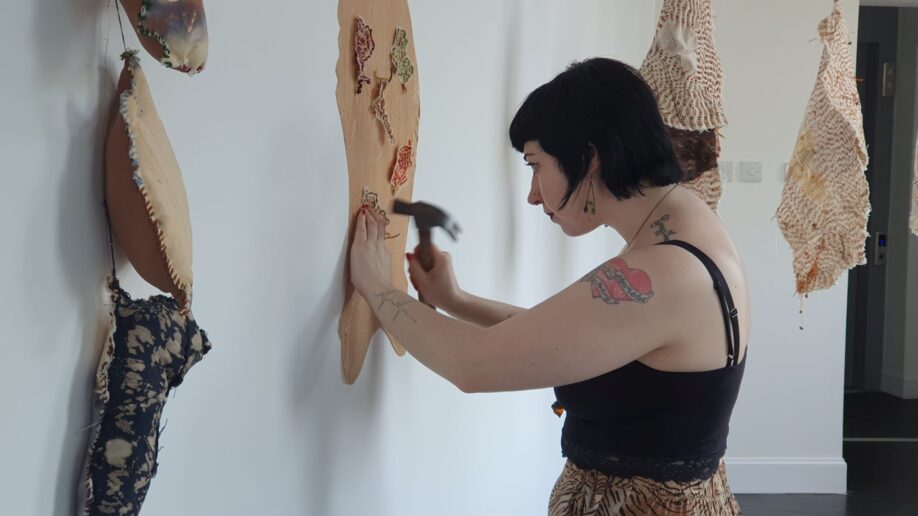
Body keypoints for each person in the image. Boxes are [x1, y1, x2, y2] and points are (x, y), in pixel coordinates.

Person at [348, 57, 747, 515]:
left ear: (589, 158)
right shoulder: (689, 229)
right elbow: (572, 341)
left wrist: (376, 285)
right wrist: (455, 301)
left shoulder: (663, 273)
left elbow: (472, 366)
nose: (533, 194)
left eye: (535, 165)